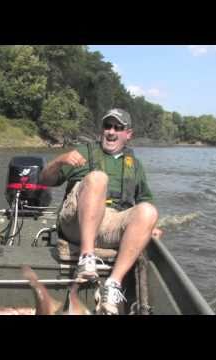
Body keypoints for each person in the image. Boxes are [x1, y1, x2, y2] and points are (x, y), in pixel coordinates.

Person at [40, 108, 162, 315]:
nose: (111, 132)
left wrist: (152, 226)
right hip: (75, 223)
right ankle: (86, 259)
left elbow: (144, 199)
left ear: (128, 134)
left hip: (109, 225)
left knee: (149, 212)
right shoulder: (83, 152)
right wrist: (60, 160)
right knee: (98, 178)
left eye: (118, 127)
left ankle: (113, 284)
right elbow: (45, 180)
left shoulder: (135, 165)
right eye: (108, 126)